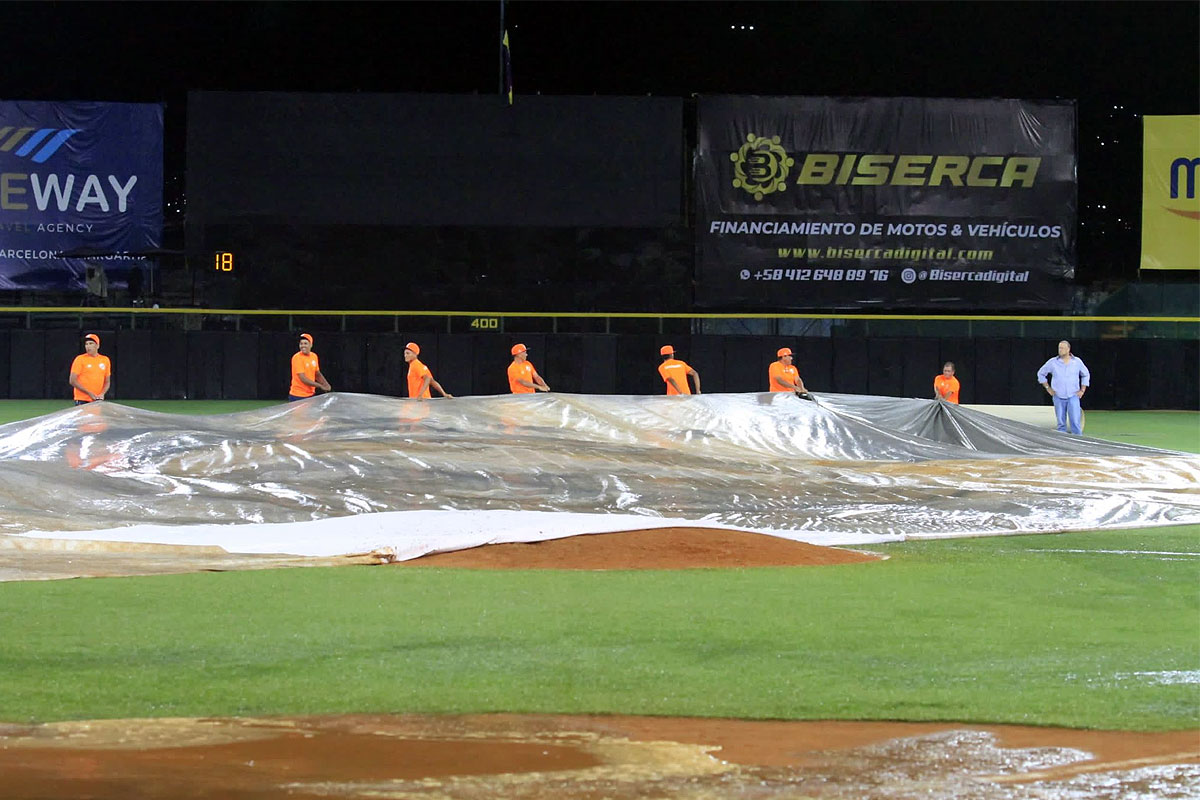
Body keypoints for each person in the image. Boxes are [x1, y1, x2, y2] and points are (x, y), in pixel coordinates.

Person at [1037, 340, 1090, 434]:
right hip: (1058, 396)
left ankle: (1078, 442)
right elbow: (1041, 373)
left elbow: (1085, 374)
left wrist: (1082, 390)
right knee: (1061, 423)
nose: (1060, 350)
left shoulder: (1077, 362)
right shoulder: (1053, 362)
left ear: (1068, 349)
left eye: (1062, 348)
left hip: (1073, 395)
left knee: (1075, 421)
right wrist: (1048, 388)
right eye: (1059, 348)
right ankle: (1062, 443)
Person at [69, 333, 111, 404]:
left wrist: (102, 393)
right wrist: (89, 393)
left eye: (91, 343)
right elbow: (72, 380)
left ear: (97, 345)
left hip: (97, 399)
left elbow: (107, 381)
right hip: (82, 399)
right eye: (86, 344)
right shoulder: (80, 359)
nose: (88, 346)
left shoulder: (105, 360)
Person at [288, 332, 332, 401]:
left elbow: (317, 374)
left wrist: (326, 384)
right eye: (301, 344)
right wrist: (320, 386)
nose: (303, 346)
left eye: (305, 343)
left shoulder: (314, 356)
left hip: (310, 395)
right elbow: (303, 378)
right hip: (298, 395)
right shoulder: (297, 357)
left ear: (311, 345)